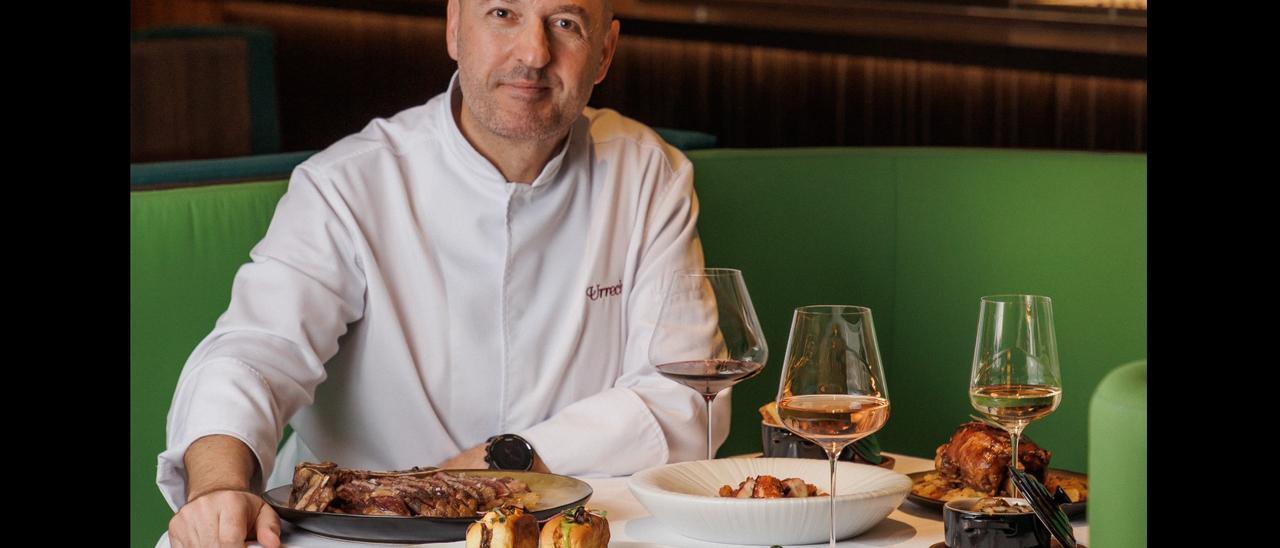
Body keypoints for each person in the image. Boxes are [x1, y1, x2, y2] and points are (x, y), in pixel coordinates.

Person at [159, 1, 731, 546]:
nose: (533, 53)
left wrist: (503, 461)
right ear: (455, 28)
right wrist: (219, 486)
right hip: (352, 534)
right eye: (502, 15)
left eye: (565, 23)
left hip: (566, 528)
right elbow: (255, 352)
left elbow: (686, 393)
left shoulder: (647, 174)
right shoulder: (348, 184)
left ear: (605, 52)